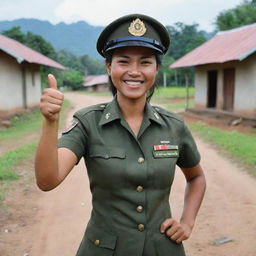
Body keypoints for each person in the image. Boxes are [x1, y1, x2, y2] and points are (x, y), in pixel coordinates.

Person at [35, 13, 206, 256]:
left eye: (145, 62)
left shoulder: (174, 126)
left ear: (157, 68)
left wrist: (187, 222)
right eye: (123, 61)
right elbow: (47, 180)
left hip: (162, 249)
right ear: (109, 66)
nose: (134, 71)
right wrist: (49, 121)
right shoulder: (87, 122)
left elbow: (197, 178)